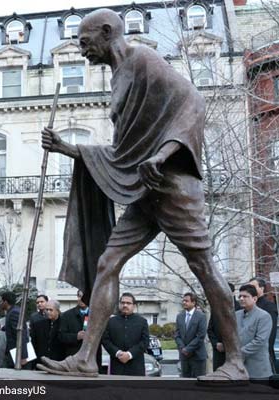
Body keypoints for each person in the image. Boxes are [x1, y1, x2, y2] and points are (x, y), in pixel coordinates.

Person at [39, 8, 246, 380]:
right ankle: (86, 359)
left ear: (107, 33)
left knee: (203, 267)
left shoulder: (143, 59)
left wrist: (164, 154)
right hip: (142, 193)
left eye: (85, 42)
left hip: (171, 186)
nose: (82, 51)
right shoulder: (117, 76)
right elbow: (124, 151)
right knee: (108, 262)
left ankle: (235, 362)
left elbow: (193, 103)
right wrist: (66, 148)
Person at [100, 293, 149, 376]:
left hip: (136, 367)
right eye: (122, 303)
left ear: (134, 306)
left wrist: (129, 354)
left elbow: (145, 342)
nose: (125, 305)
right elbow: (105, 341)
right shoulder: (111, 321)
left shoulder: (142, 322)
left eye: (128, 303)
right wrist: (118, 353)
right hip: (117, 366)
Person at [236, 284, 273, 379]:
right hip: (238, 368)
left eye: (245, 296)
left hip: (257, 369)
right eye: (240, 296)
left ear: (255, 299)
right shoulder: (236, 315)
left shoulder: (264, 316)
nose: (241, 299)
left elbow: (260, 340)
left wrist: (239, 353)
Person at [58, 290, 101, 367]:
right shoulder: (66, 315)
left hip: (90, 359)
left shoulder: (97, 315)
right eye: (80, 296)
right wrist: (76, 336)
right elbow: (61, 336)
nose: (82, 299)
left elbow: (103, 337)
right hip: (72, 359)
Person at [208, 282, 241, 371]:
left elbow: (241, 330)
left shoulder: (240, 308)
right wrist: (216, 344)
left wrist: (228, 344)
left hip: (234, 353)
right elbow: (210, 329)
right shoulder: (216, 307)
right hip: (219, 352)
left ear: (233, 293)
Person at [248, 277, 278, 374]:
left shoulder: (269, 307)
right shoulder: (247, 308)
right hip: (248, 357)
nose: (250, 289)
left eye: (253, 286)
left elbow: (270, 336)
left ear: (262, 288)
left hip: (264, 357)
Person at [174, 292, 207, 378]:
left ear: (193, 302)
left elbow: (201, 336)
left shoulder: (201, 316)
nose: (184, 302)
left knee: (198, 384)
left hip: (197, 356)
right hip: (184, 357)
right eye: (183, 301)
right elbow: (177, 334)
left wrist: (188, 349)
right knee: (185, 384)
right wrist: (182, 348)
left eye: (186, 301)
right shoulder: (180, 316)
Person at [1, 291, 28, 368]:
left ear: (5, 302)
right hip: (13, 352)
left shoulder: (14, 313)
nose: (1, 304)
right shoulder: (13, 311)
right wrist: (4, 328)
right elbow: (13, 328)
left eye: (2, 301)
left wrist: (23, 356)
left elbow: (20, 334)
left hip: (16, 353)